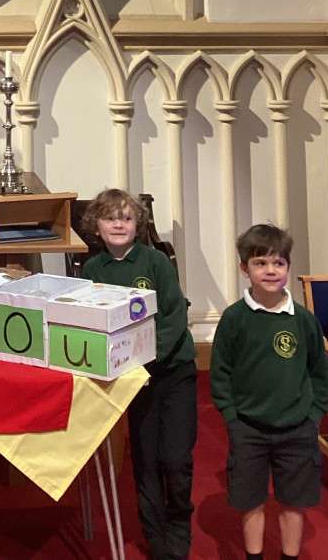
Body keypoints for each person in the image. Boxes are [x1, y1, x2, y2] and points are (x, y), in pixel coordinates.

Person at [81, 189, 197, 560]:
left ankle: (179, 522)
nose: (118, 224)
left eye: (126, 218)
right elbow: (93, 323)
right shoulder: (92, 271)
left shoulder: (157, 262)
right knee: (146, 460)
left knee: (175, 459)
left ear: (138, 225)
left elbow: (174, 318)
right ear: (96, 226)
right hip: (131, 381)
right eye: (110, 218)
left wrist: (144, 359)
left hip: (173, 372)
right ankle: (157, 538)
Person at [209, 223, 328, 560]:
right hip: (248, 429)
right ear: (244, 269)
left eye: (278, 263)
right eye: (260, 263)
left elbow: (320, 373)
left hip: (297, 428)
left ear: (289, 269)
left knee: (294, 500)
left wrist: (313, 417)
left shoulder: (304, 320)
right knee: (251, 501)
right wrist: (233, 419)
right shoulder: (235, 319)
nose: (270, 270)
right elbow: (220, 374)